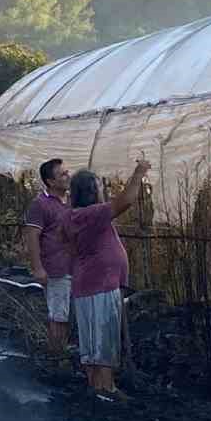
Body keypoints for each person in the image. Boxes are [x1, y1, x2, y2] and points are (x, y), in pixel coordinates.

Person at [62, 158, 150, 399]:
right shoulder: (93, 213)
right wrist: (139, 172)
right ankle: (107, 389)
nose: (102, 191)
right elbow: (126, 201)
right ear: (92, 192)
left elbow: (68, 249)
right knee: (105, 337)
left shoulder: (70, 217)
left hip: (84, 284)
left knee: (91, 340)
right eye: (99, 187)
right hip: (102, 284)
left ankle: (94, 386)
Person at [23, 158, 73, 357]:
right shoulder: (40, 204)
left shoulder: (70, 201)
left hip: (75, 267)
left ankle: (63, 350)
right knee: (58, 315)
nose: (68, 176)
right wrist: (38, 268)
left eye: (67, 172)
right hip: (56, 269)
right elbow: (32, 236)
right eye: (63, 174)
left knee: (67, 314)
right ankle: (56, 356)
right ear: (50, 181)